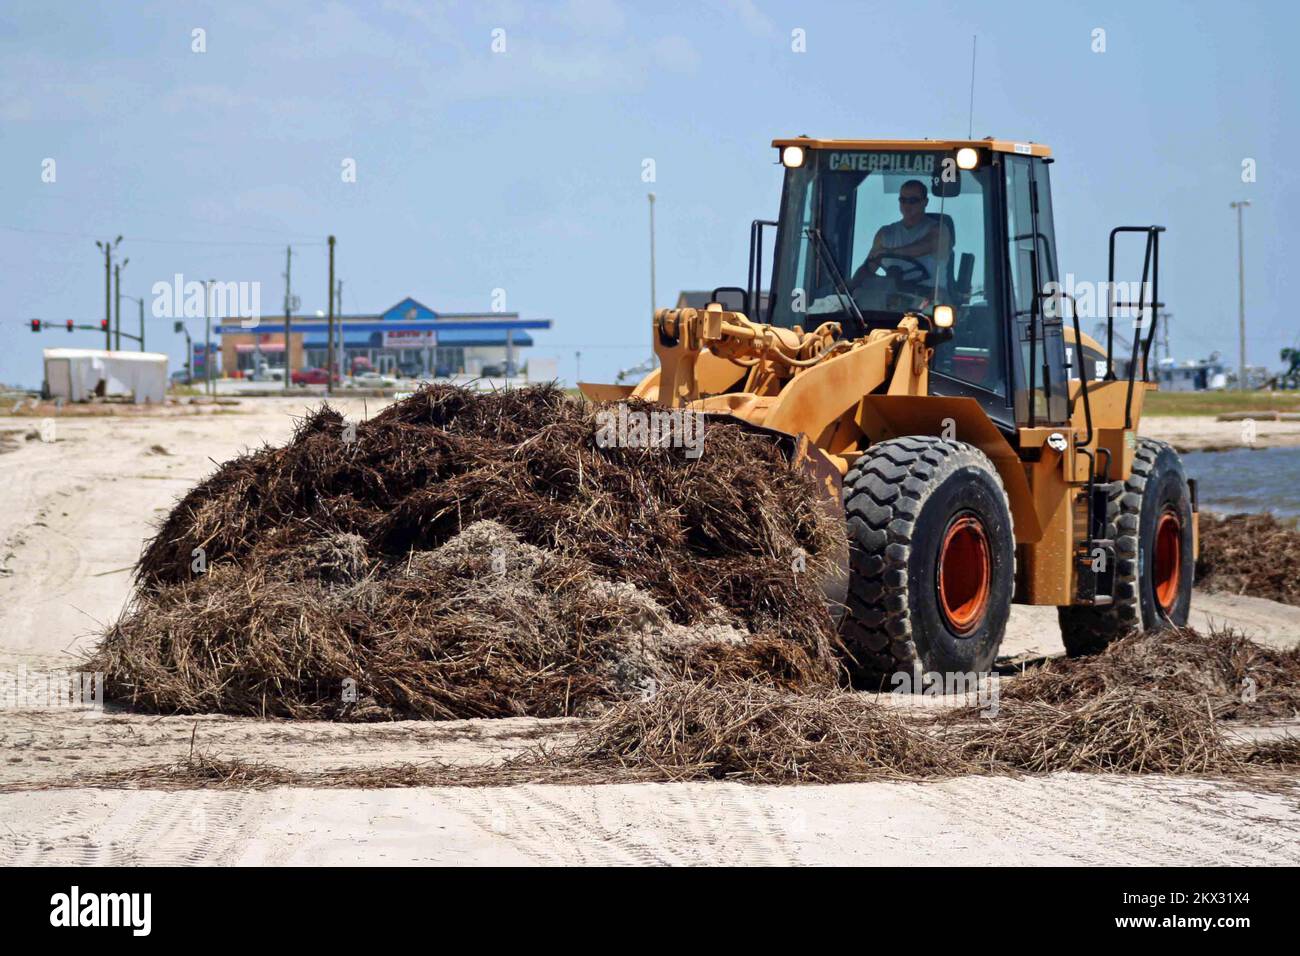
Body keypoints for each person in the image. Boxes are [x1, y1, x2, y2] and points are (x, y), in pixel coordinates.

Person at [849, 179, 950, 296]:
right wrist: (850, 286)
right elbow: (868, 267)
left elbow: (925, 246)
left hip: (928, 298)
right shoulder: (885, 234)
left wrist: (888, 252)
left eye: (913, 200)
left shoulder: (939, 230)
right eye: (903, 200)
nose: (907, 205)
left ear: (925, 202)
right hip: (891, 298)